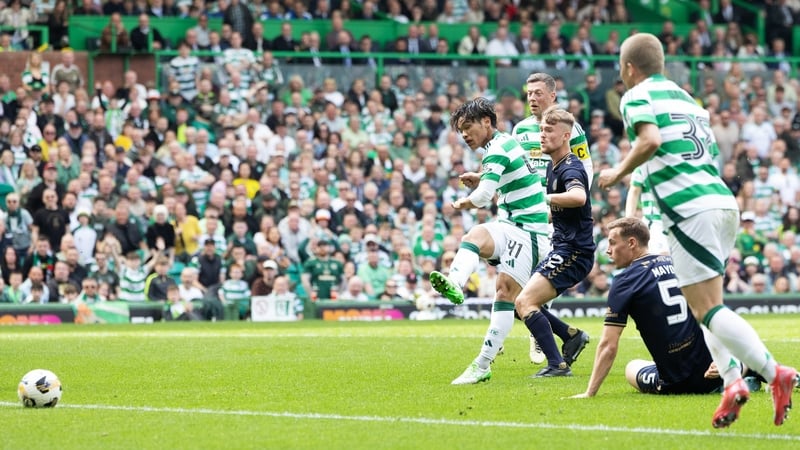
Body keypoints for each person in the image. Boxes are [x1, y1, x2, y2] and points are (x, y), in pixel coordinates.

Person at [596, 32, 797, 428]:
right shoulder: (688, 100)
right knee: (706, 308)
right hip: (722, 202)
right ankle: (733, 383)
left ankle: (776, 375)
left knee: (708, 309)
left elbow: (650, 139)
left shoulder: (636, 95)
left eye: (622, 69)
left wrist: (619, 171)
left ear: (630, 69)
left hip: (689, 210)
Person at [426, 97, 551, 385]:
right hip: (511, 225)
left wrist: (462, 203)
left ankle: (482, 364)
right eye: (460, 131)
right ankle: (456, 283)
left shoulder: (497, 148)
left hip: (530, 231)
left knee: (505, 294)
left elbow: (483, 198)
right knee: (474, 236)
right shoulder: (503, 144)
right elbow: (507, 173)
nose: (465, 135)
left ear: (486, 122)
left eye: (468, 127)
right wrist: (481, 177)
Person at [573, 218, 751, 397]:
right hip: (713, 373)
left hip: (674, 383)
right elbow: (714, 312)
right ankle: (740, 368)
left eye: (612, 243)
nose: (608, 250)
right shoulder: (678, 263)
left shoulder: (624, 281)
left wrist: (590, 392)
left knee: (631, 368)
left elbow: (608, 345)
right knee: (744, 355)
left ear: (632, 243)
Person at [512, 72, 592, 364]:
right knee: (514, 291)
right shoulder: (521, 132)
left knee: (525, 296)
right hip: (530, 218)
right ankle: (566, 334)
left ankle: (547, 347)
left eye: (537, 92)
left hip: (563, 231)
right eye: (528, 93)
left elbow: (583, 177)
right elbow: (512, 170)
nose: (532, 98)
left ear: (552, 95)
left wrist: (551, 203)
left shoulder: (569, 155)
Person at [624, 166, 669, 255]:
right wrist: (628, 221)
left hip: (677, 220)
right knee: (662, 257)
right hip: (655, 222)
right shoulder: (642, 167)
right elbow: (634, 192)